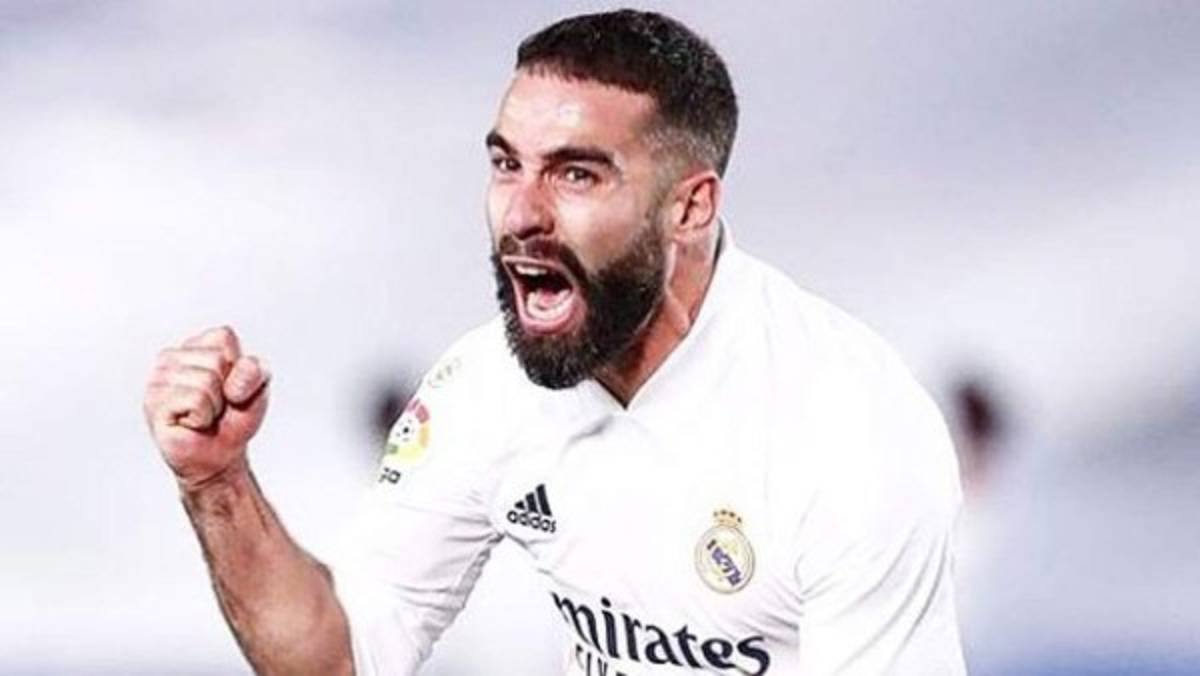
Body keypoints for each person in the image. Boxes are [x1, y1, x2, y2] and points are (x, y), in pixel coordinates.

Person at [143, 9, 966, 675]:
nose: (521, 215)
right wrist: (217, 481)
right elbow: (338, 660)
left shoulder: (850, 431)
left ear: (690, 208)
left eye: (577, 174)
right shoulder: (484, 389)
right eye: (508, 165)